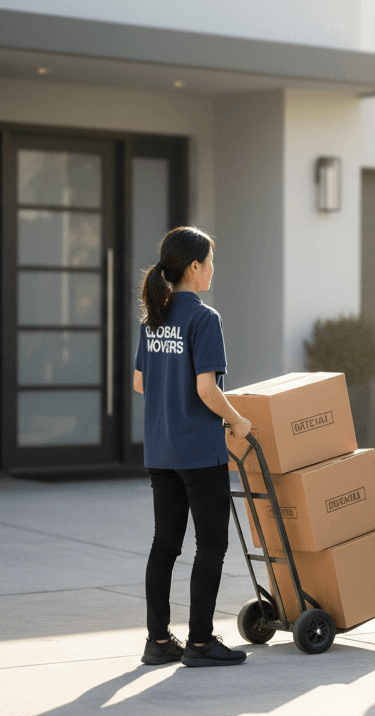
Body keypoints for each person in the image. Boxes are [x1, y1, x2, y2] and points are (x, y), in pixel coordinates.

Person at [133, 226, 251, 667]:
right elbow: (206, 389)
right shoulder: (205, 318)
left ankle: (158, 640)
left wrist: (171, 399)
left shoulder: (154, 318)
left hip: (161, 449)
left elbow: (140, 382)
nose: (213, 270)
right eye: (210, 262)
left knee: (165, 544)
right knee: (211, 544)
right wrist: (236, 420)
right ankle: (200, 642)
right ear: (195, 267)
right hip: (199, 452)